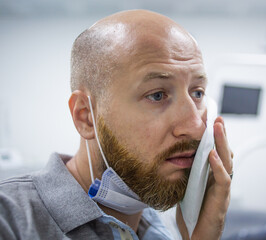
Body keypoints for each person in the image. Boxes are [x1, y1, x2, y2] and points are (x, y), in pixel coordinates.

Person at [0, 9, 233, 240]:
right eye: (157, 95)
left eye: (198, 92)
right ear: (86, 116)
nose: (196, 128)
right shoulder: (9, 220)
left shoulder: (166, 228)